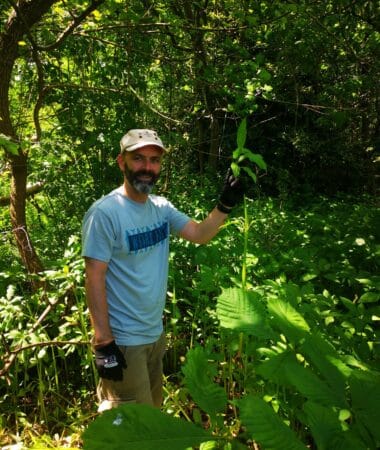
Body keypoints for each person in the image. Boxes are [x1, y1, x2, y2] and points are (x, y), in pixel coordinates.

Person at [81, 129, 245, 411]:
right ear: (122, 162)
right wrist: (103, 343)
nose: (147, 168)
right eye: (139, 159)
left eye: (154, 161)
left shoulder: (160, 208)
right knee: (131, 424)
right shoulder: (105, 213)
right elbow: (94, 277)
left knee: (153, 420)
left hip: (154, 335)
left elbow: (199, 233)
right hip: (122, 342)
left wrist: (225, 203)